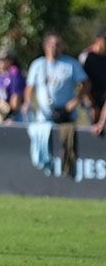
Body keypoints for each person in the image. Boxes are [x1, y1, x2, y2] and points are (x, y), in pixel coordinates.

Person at [25, 32, 89, 177]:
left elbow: (85, 84)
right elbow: (29, 88)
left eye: (58, 45)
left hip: (66, 114)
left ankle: (67, 169)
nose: (55, 48)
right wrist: (28, 103)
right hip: (44, 116)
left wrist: (74, 103)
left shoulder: (70, 64)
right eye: (52, 45)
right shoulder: (38, 65)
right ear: (45, 46)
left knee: (67, 140)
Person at [78, 29, 106, 135]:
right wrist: (92, 106)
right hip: (90, 97)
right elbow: (83, 84)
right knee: (92, 130)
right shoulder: (87, 57)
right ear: (98, 40)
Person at [0, 48, 24, 124]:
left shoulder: (15, 74)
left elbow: (16, 101)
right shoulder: (1, 75)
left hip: (14, 116)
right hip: (2, 114)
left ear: (10, 61)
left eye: (1, 60)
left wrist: (7, 111)